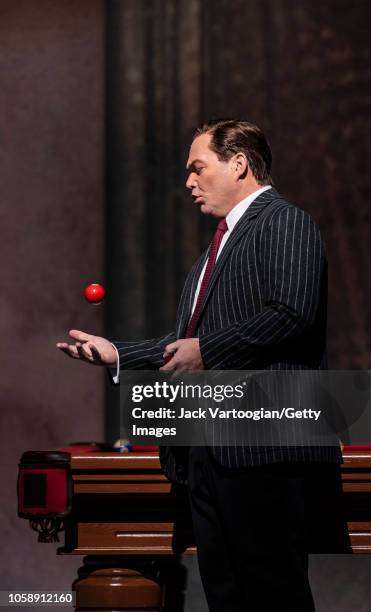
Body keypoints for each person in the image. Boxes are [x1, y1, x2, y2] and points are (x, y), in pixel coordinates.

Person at [57, 119, 350, 612]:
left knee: (273, 594)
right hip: (208, 453)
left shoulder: (284, 222)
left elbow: (291, 313)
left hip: (263, 450)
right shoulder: (212, 253)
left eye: (198, 168)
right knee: (227, 596)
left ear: (238, 164)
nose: (188, 182)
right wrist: (117, 353)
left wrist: (208, 350)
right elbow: (184, 346)